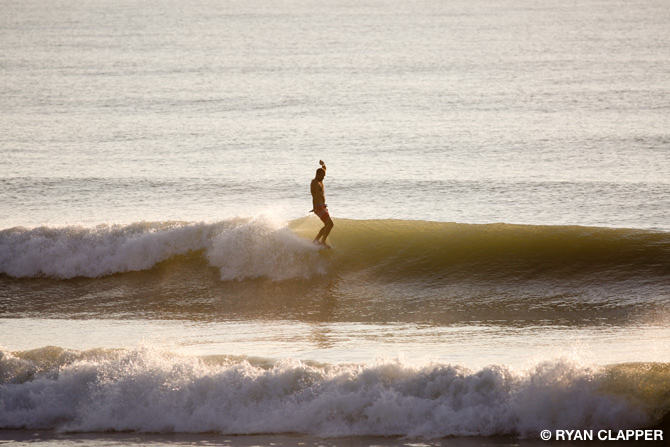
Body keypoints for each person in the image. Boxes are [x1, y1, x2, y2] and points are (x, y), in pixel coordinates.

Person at [310, 160, 334, 248]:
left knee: (327, 225)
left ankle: (316, 240)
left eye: (324, 176)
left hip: (322, 206)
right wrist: (314, 208)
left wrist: (323, 164)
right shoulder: (315, 183)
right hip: (318, 207)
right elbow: (314, 196)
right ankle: (322, 241)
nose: (324, 178)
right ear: (318, 174)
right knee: (330, 224)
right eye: (323, 176)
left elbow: (324, 169)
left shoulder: (320, 179)